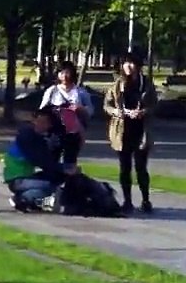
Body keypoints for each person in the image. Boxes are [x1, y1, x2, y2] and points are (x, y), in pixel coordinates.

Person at [104, 51, 159, 213]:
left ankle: (145, 200)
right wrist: (116, 112)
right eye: (125, 63)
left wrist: (144, 111)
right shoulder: (117, 85)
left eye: (131, 63)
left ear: (138, 66)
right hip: (122, 130)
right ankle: (127, 201)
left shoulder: (146, 85)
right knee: (124, 167)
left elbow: (154, 104)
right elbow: (107, 105)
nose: (128, 66)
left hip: (141, 130)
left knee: (141, 167)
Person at [3, 108, 75, 211]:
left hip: (27, 176)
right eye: (39, 121)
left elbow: (48, 160)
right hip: (17, 179)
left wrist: (65, 169)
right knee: (51, 186)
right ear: (34, 120)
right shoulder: (26, 136)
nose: (41, 125)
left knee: (57, 177)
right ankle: (23, 199)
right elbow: (39, 160)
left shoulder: (38, 138)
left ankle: (30, 199)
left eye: (45, 123)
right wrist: (64, 168)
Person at [39, 61, 93, 165]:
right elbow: (42, 109)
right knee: (51, 162)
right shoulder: (52, 91)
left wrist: (80, 108)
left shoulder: (80, 92)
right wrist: (54, 110)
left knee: (70, 163)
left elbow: (90, 109)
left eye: (67, 72)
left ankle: (69, 180)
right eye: (61, 73)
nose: (64, 76)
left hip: (73, 132)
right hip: (55, 132)